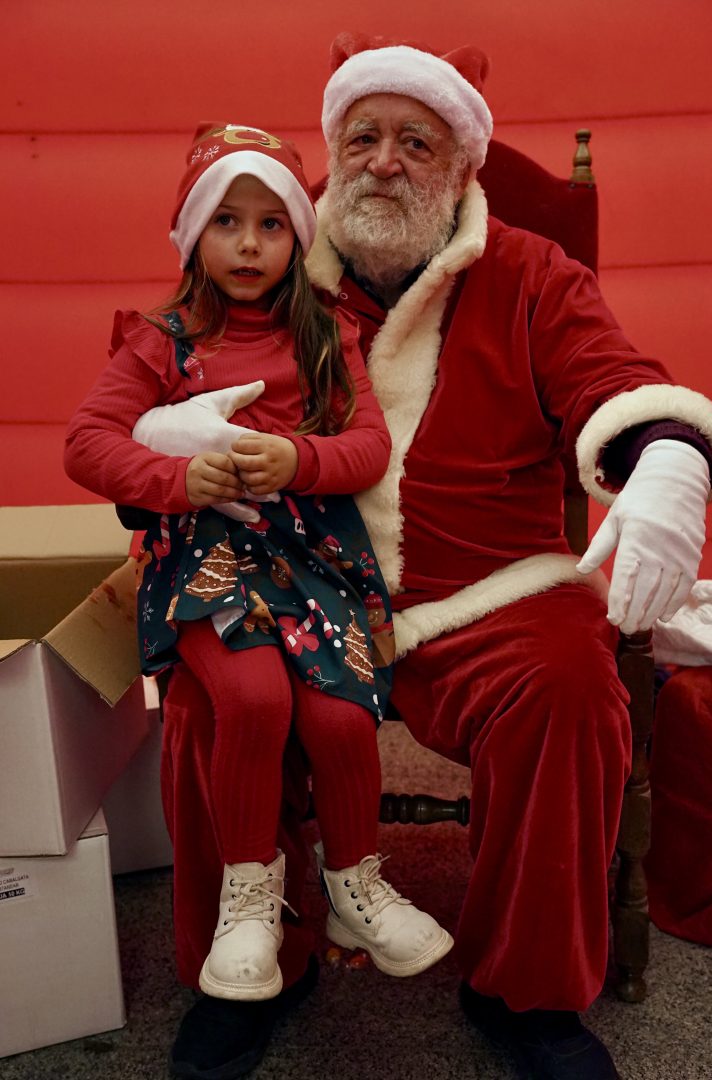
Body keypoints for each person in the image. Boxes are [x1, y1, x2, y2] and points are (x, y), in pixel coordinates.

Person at [135, 38, 712, 1080]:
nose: (384, 162)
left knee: (572, 688)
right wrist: (167, 452)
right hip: (293, 582)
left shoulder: (532, 274)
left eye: (418, 141)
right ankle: (255, 965)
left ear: (462, 165)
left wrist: (668, 455)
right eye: (363, 136)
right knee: (202, 698)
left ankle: (525, 993)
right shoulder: (267, 262)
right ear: (332, 151)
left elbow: (612, 375)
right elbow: (157, 385)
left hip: (486, 591)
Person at [64, 123, 453, 1071]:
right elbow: (87, 443)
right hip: (206, 561)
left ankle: (354, 885)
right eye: (226, 222)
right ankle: (249, 900)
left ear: (297, 236)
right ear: (193, 233)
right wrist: (175, 478)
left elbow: (369, 447)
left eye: (272, 224)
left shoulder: (324, 332)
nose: (248, 245)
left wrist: (300, 459)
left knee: (342, 716)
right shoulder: (161, 342)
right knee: (251, 695)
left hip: (312, 559)